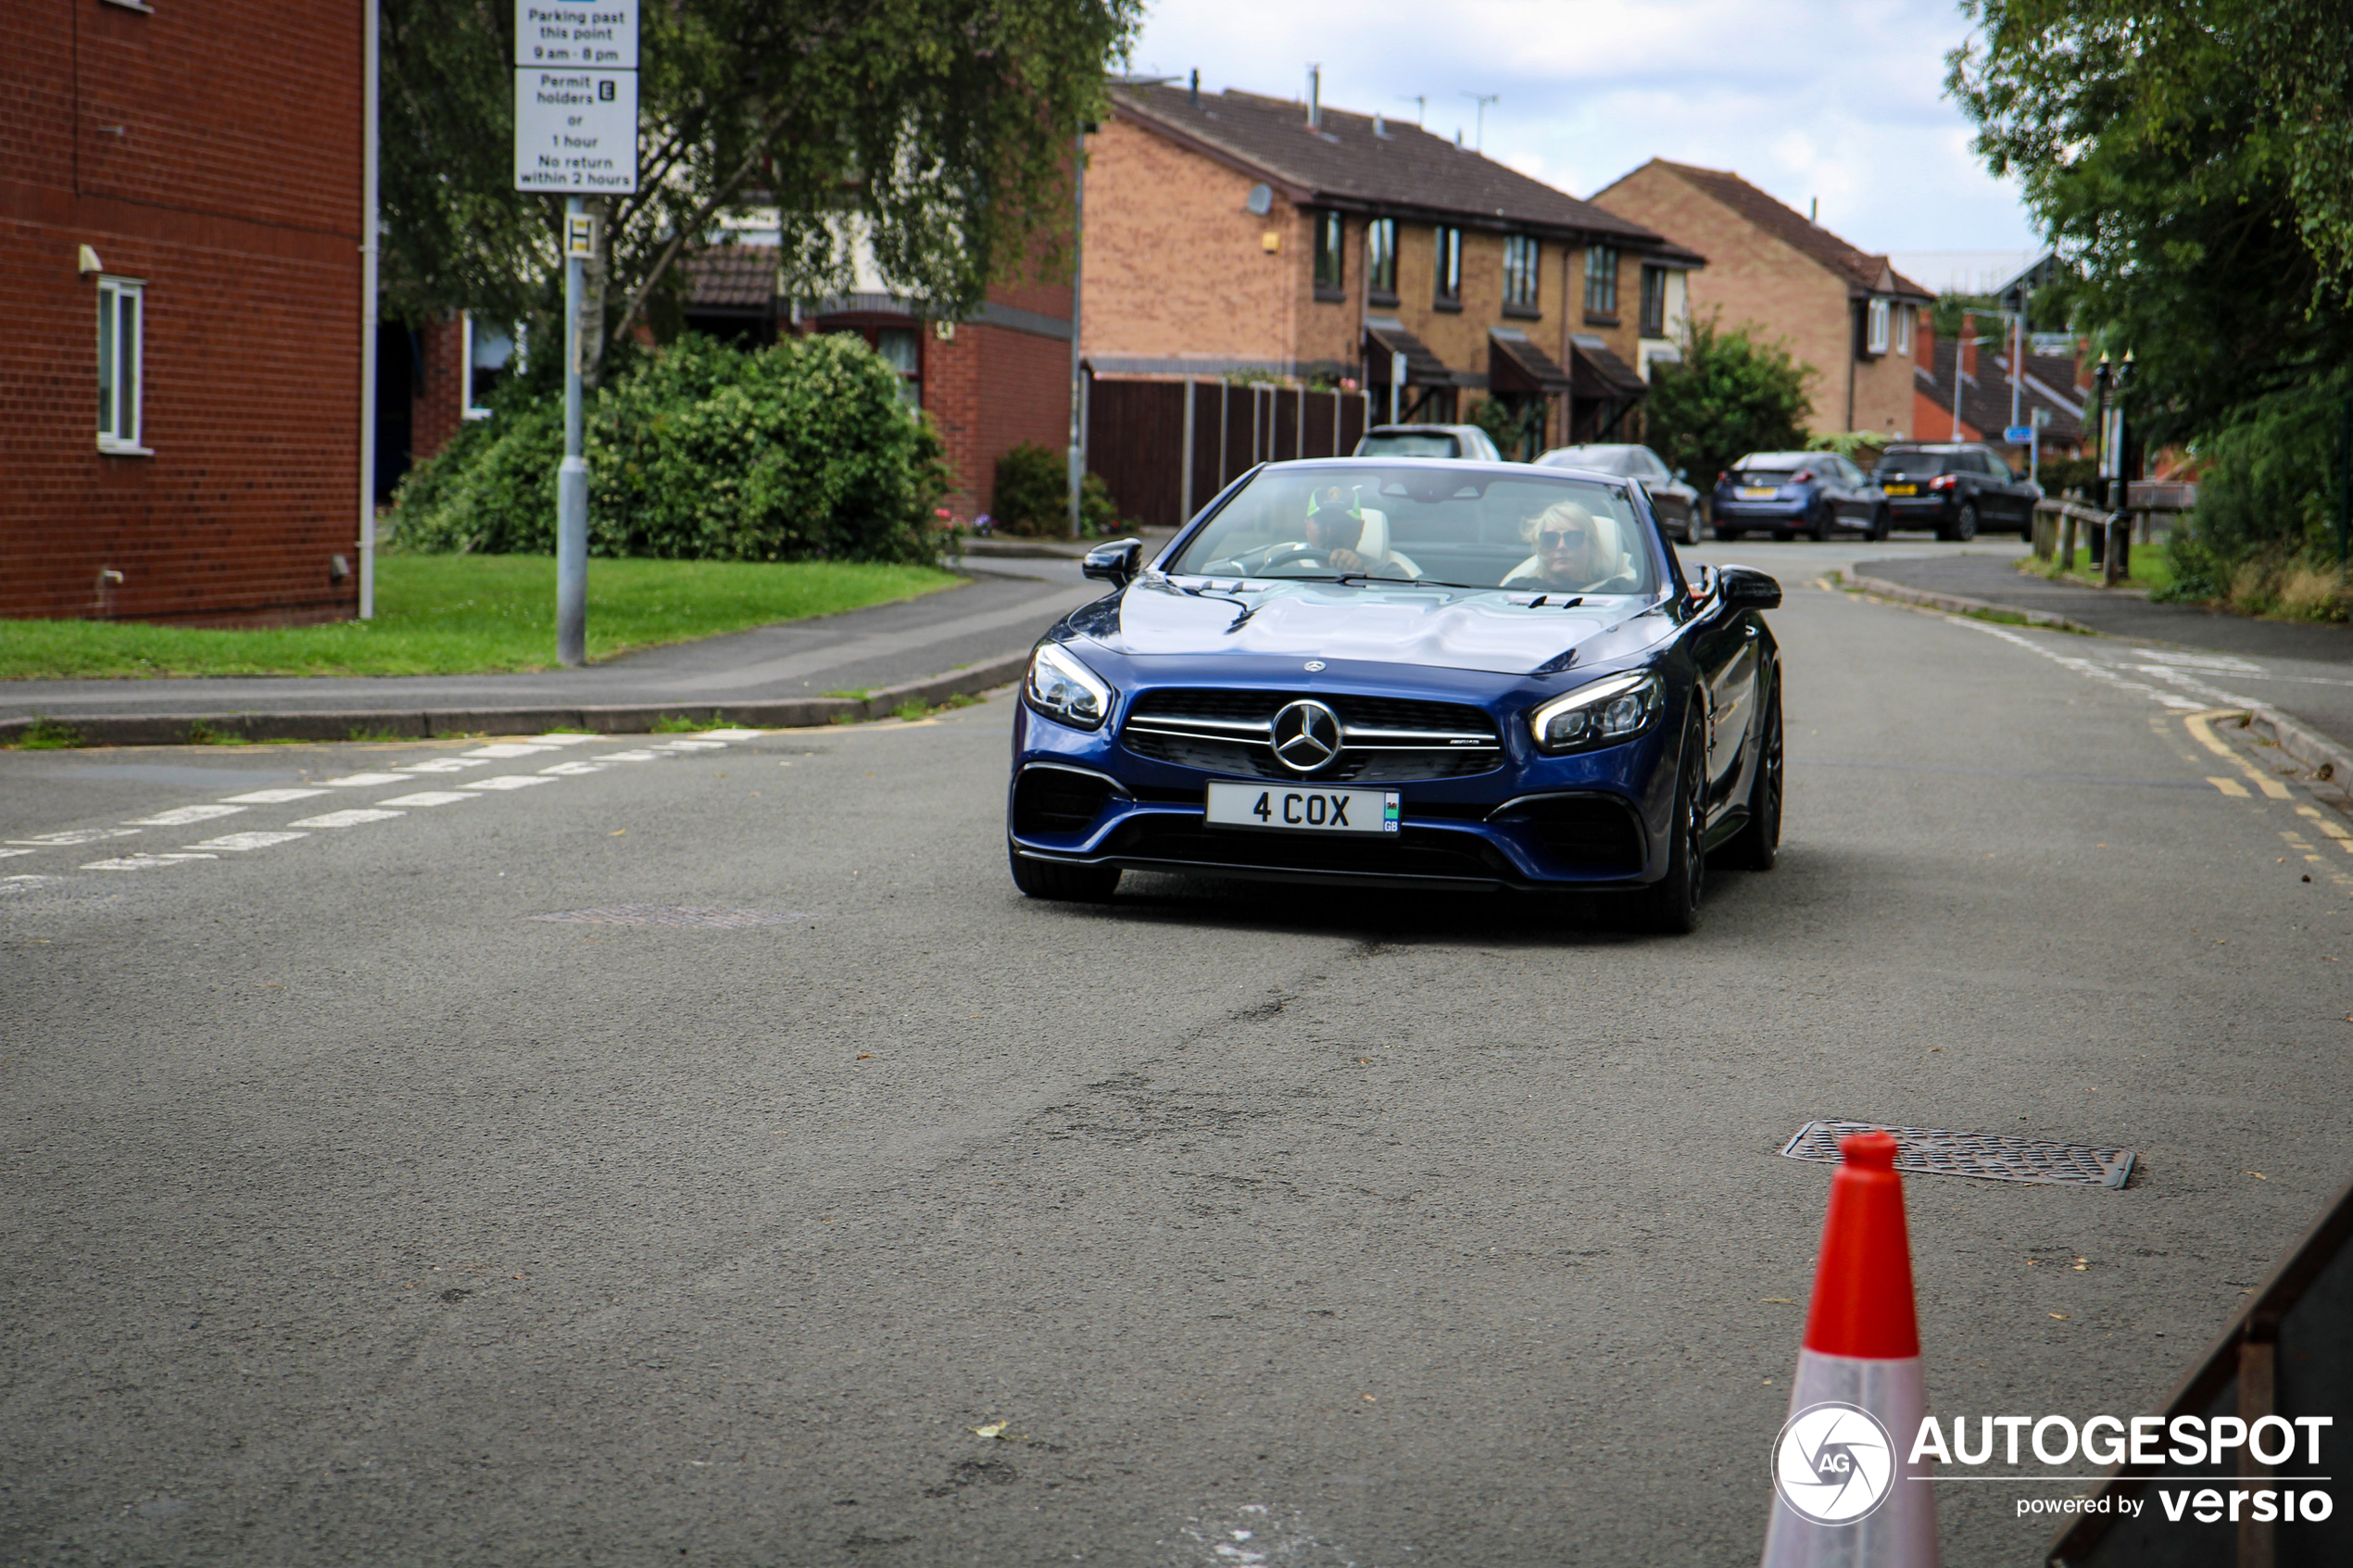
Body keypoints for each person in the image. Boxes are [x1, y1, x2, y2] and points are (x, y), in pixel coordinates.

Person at [1504, 500, 1631, 593]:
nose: (1561, 546)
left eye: (1573, 537)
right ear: (1540, 547)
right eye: (1550, 539)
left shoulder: (1618, 591)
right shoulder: (1517, 589)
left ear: (1591, 546)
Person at [1302, 485, 1422, 578]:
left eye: (1341, 524)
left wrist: (1364, 576)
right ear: (1307, 526)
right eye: (1321, 523)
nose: (1330, 532)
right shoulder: (1286, 564)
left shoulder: (1387, 574)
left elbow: (1403, 603)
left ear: (1360, 529)